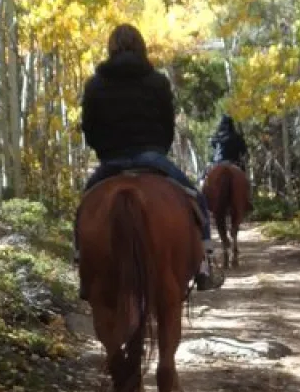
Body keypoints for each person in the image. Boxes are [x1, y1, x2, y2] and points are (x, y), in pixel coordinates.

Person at [76, 24, 223, 297]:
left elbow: (89, 127)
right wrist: (158, 150)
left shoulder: (95, 84)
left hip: (111, 161)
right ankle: (204, 266)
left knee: (85, 205)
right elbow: (167, 124)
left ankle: (83, 268)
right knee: (196, 198)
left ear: (111, 47)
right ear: (141, 46)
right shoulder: (157, 81)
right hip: (151, 156)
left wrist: (105, 151)